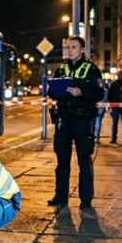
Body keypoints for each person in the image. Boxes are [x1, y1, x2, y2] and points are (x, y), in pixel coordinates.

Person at [47, 36, 104, 209]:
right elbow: (52, 93)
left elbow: (99, 93)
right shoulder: (61, 69)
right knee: (62, 160)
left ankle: (85, 199)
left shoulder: (92, 70)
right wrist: (56, 91)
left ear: (82, 50)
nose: (70, 50)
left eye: (73, 47)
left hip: (82, 119)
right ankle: (60, 196)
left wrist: (81, 92)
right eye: (68, 47)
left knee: (84, 159)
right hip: (64, 119)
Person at [107, 70, 122, 144]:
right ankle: (113, 138)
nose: (119, 75)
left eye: (121, 74)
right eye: (118, 74)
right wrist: (111, 104)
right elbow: (109, 94)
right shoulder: (113, 84)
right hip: (115, 106)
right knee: (114, 123)